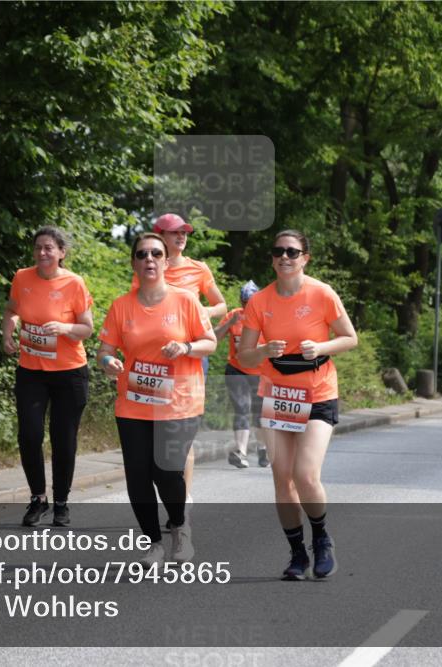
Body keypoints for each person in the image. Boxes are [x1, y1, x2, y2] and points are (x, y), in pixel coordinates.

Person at [237, 230, 358, 580]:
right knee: (282, 479)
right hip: (277, 396)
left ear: (306, 257)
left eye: (292, 251)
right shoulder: (259, 301)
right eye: (278, 251)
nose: (284, 257)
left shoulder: (321, 294)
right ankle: (296, 554)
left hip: (318, 393)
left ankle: (321, 538)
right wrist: (262, 351)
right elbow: (245, 355)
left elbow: (350, 338)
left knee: (305, 474)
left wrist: (320, 349)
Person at [97, 232, 217, 568]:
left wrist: (187, 348)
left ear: (165, 261)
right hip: (134, 401)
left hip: (179, 402)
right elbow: (104, 350)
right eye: (142, 254)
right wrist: (109, 363)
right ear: (134, 262)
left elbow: (210, 342)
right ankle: (153, 543)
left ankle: (180, 525)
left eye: (155, 254)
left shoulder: (185, 301)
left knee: (166, 472)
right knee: (137, 475)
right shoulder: (122, 306)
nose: (149, 259)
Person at [133, 214, 227, 511]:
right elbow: (135, 304)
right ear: (159, 235)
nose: (182, 237)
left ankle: (182, 498)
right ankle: (164, 491)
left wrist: (198, 313)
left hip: (191, 352)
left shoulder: (198, 269)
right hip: (154, 360)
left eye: (185, 232)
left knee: (181, 433)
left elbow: (221, 305)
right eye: (174, 233)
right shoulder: (147, 266)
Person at [2, 227, 94, 527]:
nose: (43, 253)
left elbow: (87, 328)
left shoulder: (74, 283)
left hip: (69, 372)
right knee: (29, 435)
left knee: (63, 439)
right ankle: (38, 499)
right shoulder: (22, 277)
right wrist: (8, 333)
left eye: (49, 248)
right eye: (39, 247)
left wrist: (65, 329)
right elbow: (12, 310)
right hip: (32, 371)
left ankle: (62, 502)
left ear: (61, 253)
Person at [215, 280, 269, 469]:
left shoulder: (267, 317)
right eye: (244, 302)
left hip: (261, 372)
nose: (247, 306)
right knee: (242, 408)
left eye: (251, 303)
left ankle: (263, 450)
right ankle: (242, 453)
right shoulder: (234, 315)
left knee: (259, 412)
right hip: (236, 369)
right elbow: (214, 338)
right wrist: (229, 323)